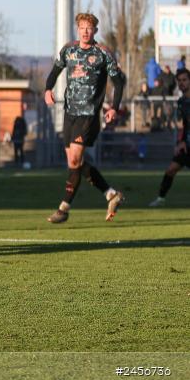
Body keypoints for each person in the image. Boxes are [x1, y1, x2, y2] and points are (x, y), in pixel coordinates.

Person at [44, 13, 125, 224]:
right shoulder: (68, 50)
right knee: (75, 163)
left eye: (89, 28)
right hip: (69, 113)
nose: (85, 31)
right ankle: (110, 193)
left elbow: (119, 82)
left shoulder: (103, 53)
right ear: (77, 29)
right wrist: (47, 89)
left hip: (89, 116)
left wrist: (114, 108)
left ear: (95, 30)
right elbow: (54, 72)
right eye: (82, 27)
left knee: (74, 160)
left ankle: (64, 208)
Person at [150, 68, 190, 207]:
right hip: (187, 145)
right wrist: (181, 142)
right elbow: (185, 125)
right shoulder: (181, 102)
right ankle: (161, 199)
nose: (182, 83)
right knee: (171, 169)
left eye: (184, 80)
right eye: (179, 81)